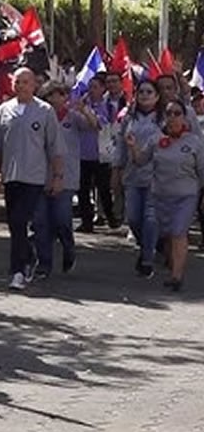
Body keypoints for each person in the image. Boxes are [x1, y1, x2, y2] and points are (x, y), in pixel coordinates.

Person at [0, 67, 65, 292]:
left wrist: (58, 176)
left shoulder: (45, 111)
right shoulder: (4, 110)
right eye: (17, 81)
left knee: (23, 221)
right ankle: (28, 257)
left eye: (25, 82)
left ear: (34, 85)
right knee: (15, 224)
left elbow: (54, 147)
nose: (20, 86)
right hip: (11, 177)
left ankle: (18, 270)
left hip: (34, 177)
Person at [127, 99, 204, 291]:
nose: (172, 118)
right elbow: (140, 161)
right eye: (169, 113)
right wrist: (132, 146)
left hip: (186, 196)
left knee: (179, 232)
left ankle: (177, 276)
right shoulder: (156, 140)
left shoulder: (194, 142)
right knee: (168, 234)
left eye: (177, 113)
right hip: (160, 195)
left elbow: (202, 171)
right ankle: (171, 264)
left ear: (185, 118)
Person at [34, 81, 94, 278]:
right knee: (41, 222)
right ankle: (44, 263)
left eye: (59, 95)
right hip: (41, 175)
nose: (55, 99)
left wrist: (84, 110)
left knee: (61, 219)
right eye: (50, 96)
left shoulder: (73, 117)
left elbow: (94, 126)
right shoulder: (40, 117)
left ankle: (69, 248)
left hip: (67, 176)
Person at [113, 79, 163, 278]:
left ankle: (147, 259)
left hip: (156, 176)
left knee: (150, 219)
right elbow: (120, 147)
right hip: (132, 175)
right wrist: (116, 169)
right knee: (134, 218)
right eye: (141, 91)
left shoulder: (164, 118)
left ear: (157, 96)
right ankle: (147, 246)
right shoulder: (128, 118)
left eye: (149, 92)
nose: (144, 95)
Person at [77, 74, 120, 233]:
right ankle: (86, 220)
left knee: (103, 189)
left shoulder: (108, 106)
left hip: (101, 155)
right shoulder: (81, 105)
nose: (92, 90)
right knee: (82, 189)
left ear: (103, 89)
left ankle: (110, 216)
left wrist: (85, 111)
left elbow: (98, 124)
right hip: (82, 154)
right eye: (90, 87)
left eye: (95, 87)